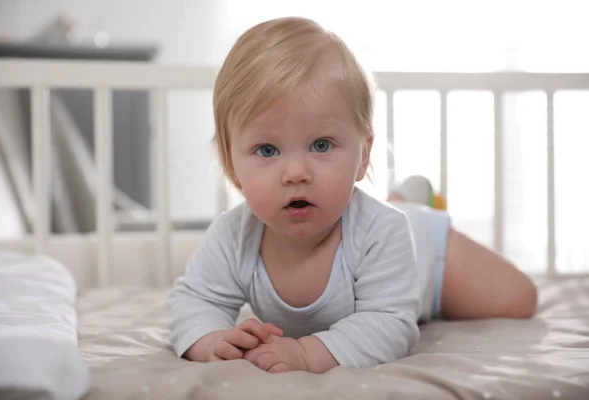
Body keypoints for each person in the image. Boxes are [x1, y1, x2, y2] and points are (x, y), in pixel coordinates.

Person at [167, 16, 538, 375]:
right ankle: (402, 194)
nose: (296, 173)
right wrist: (210, 339)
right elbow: (196, 300)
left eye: (321, 144)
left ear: (363, 156)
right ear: (232, 167)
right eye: (267, 150)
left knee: (519, 299)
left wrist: (307, 352)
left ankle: (412, 203)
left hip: (424, 248)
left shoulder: (383, 231)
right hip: (393, 222)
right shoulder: (233, 237)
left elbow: (390, 323)